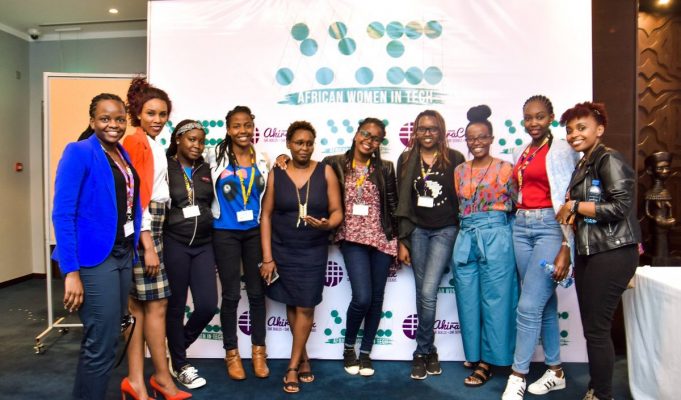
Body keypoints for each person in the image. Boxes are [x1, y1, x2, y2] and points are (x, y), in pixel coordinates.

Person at [53, 93, 141, 400]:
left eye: (119, 119)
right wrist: (71, 272)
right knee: (101, 344)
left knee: (107, 337)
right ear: (92, 121)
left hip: (122, 254)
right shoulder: (79, 152)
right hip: (93, 260)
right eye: (105, 118)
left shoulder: (121, 154)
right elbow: (63, 213)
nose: (113, 125)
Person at [556, 102, 641, 400]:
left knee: (597, 329)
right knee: (593, 329)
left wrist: (575, 206)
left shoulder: (608, 158)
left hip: (612, 252)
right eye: (570, 130)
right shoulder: (584, 163)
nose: (574, 135)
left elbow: (620, 207)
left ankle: (602, 394)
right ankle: (598, 388)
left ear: (600, 129)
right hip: (590, 251)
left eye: (582, 128)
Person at [502, 95, 579, 400]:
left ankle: (518, 374)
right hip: (521, 227)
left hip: (550, 226)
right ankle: (556, 371)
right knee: (543, 302)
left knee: (528, 305)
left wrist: (566, 243)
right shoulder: (520, 151)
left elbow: (571, 196)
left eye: (540, 117)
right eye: (528, 118)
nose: (533, 122)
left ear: (551, 118)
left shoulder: (563, 149)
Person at [260, 121, 343, 393]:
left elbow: (337, 211)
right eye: (298, 143)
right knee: (292, 303)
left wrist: (328, 224)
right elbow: (266, 216)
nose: (304, 148)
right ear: (288, 144)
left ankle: (292, 367)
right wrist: (268, 257)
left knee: (306, 305)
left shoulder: (325, 171)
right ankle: (303, 357)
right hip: (282, 249)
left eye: (309, 143)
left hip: (312, 250)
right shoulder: (278, 172)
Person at [122, 77, 188, 399]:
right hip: (145, 230)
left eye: (163, 114)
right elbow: (137, 198)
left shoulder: (152, 143)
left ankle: (137, 381)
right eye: (151, 113)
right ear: (138, 113)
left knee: (137, 307)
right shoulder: (136, 142)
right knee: (157, 304)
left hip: (153, 227)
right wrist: (147, 244)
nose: (158, 119)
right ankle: (160, 378)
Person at [322, 118, 398, 377]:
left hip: (381, 238)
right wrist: (282, 159)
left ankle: (365, 353)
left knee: (376, 299)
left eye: (376, 138)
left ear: (379, 143)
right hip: (352, 237)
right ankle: (348, 349)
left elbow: (393, 205)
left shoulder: (385, 168)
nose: (369, 140)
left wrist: (400, 240)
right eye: (366, 134)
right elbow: (308, 172)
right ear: (356, 134)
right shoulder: (334, 163)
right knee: (362, 297)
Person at [395, 109, 465, 380]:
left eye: (432, 128)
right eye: (422, 128)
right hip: (417, 230)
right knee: (422, 292)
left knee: (427, 290)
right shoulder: (406, 159)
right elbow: (402, 201)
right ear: (415, 131)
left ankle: (421, 351)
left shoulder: (455, 159)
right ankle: (431, 350)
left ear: (441, 131)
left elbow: (462, 197)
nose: (427, 133)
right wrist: (403, 240)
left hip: (445, 230)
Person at [452, 105, 518, 387]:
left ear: (491, 138)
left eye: (481, 137)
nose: (476, 142)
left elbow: (517, 204)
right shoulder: (459, 170)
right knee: (467, 299)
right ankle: (475, 354)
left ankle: (489, 362)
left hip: (496, 236)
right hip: (466, 236)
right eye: (471, 138)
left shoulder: (506, 168)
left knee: (496, 300)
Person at [207, 106, 270, 380]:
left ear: (252, 127)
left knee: (256, 293)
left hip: (254, 232)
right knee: (231, 294)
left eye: (247, 125)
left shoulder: (263, 158)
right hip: (225, 233)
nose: (242, 131)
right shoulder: (214, 156)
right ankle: (231, 354)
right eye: (236, 126)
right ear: (228, 129)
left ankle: (259, 352)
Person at [164, 120, 217, 392]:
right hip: (175, 243)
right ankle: (181, 365)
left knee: (207, 305)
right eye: (191, 139)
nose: (197, 145)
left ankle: (175, 348)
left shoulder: (207, 168)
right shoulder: (165, 166)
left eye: (201, 141)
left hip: (204, 244)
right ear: (178, 139)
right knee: (175, 308)